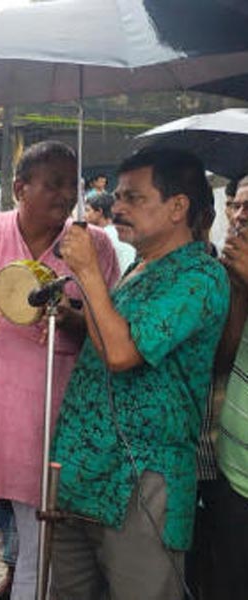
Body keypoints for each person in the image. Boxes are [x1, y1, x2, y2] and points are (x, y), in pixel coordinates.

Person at [0, 141, 119, 600]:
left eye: (73, 184)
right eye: (52, 184)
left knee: (38, 554)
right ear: (19, 188)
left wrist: (67, 316)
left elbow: (109, 331)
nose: (66, 194)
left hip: (47, 427)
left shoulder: (93, 246)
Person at [50, 148, 228, 599]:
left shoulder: (200, 276)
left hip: (140, 484)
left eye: (133, 197)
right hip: (82, 473)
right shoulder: (138, 268)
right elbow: (107, 330)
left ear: (177, 207)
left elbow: (122, 353)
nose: (118, 208)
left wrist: (88, 270)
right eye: (118, 197)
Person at [201, 174, 248, 599]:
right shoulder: (231, 274)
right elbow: (223, 359)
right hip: (234, 473)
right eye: (236, 205)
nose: (239, 217)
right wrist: (238, 288)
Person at [84, 191, 136, 272]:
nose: (84, 215)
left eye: (87, 210)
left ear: (99, 212)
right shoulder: (121, 232)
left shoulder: (101, 237)